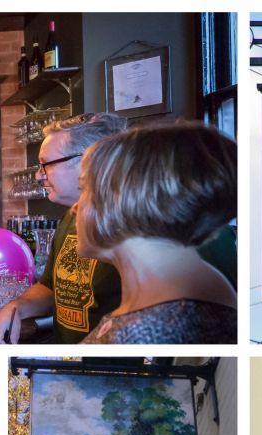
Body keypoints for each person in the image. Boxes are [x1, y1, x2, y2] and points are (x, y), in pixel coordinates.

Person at [0, 113, 235, 344]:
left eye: (88, 190)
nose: (75, 210)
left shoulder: (143, 329)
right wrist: (18, 305)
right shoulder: (141, 316)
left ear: (126, 197)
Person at [75, 123, 237, 344]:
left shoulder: (156, 329)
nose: (75, 207)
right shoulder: (173, 304)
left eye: (84, 190)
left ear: (120, 199)